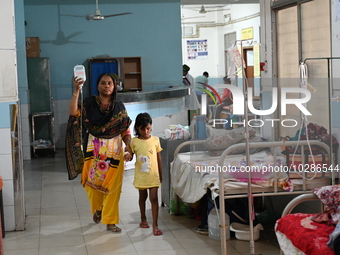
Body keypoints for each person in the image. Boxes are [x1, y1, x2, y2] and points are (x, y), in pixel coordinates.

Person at [66, 73, 132, 233]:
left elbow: (125, 129)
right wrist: (76, 90)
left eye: (110, 83)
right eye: (103, 83)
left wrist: (129, 145)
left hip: (115, 152)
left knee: (114, 188)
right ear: (98, 86)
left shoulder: (119, 106)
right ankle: (98, 208)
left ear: (114, 86)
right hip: (95, 151)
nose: (107, 86)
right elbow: (74, 112)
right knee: (93, 186)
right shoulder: (89, 103)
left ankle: (110, 221)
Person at [124, 112, 163, 236]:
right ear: (137, 128)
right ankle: (143, 218)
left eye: (148, 129)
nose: (146, 132)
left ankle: (155, 224)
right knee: (142, 197)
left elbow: (158, 159)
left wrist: (161, 175)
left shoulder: (155, 140)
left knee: (154, 199)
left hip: (153, 176)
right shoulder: (134, 142)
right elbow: (130, 156)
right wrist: (127, 155)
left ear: (151, 127)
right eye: (142, 129)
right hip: (141, 176)